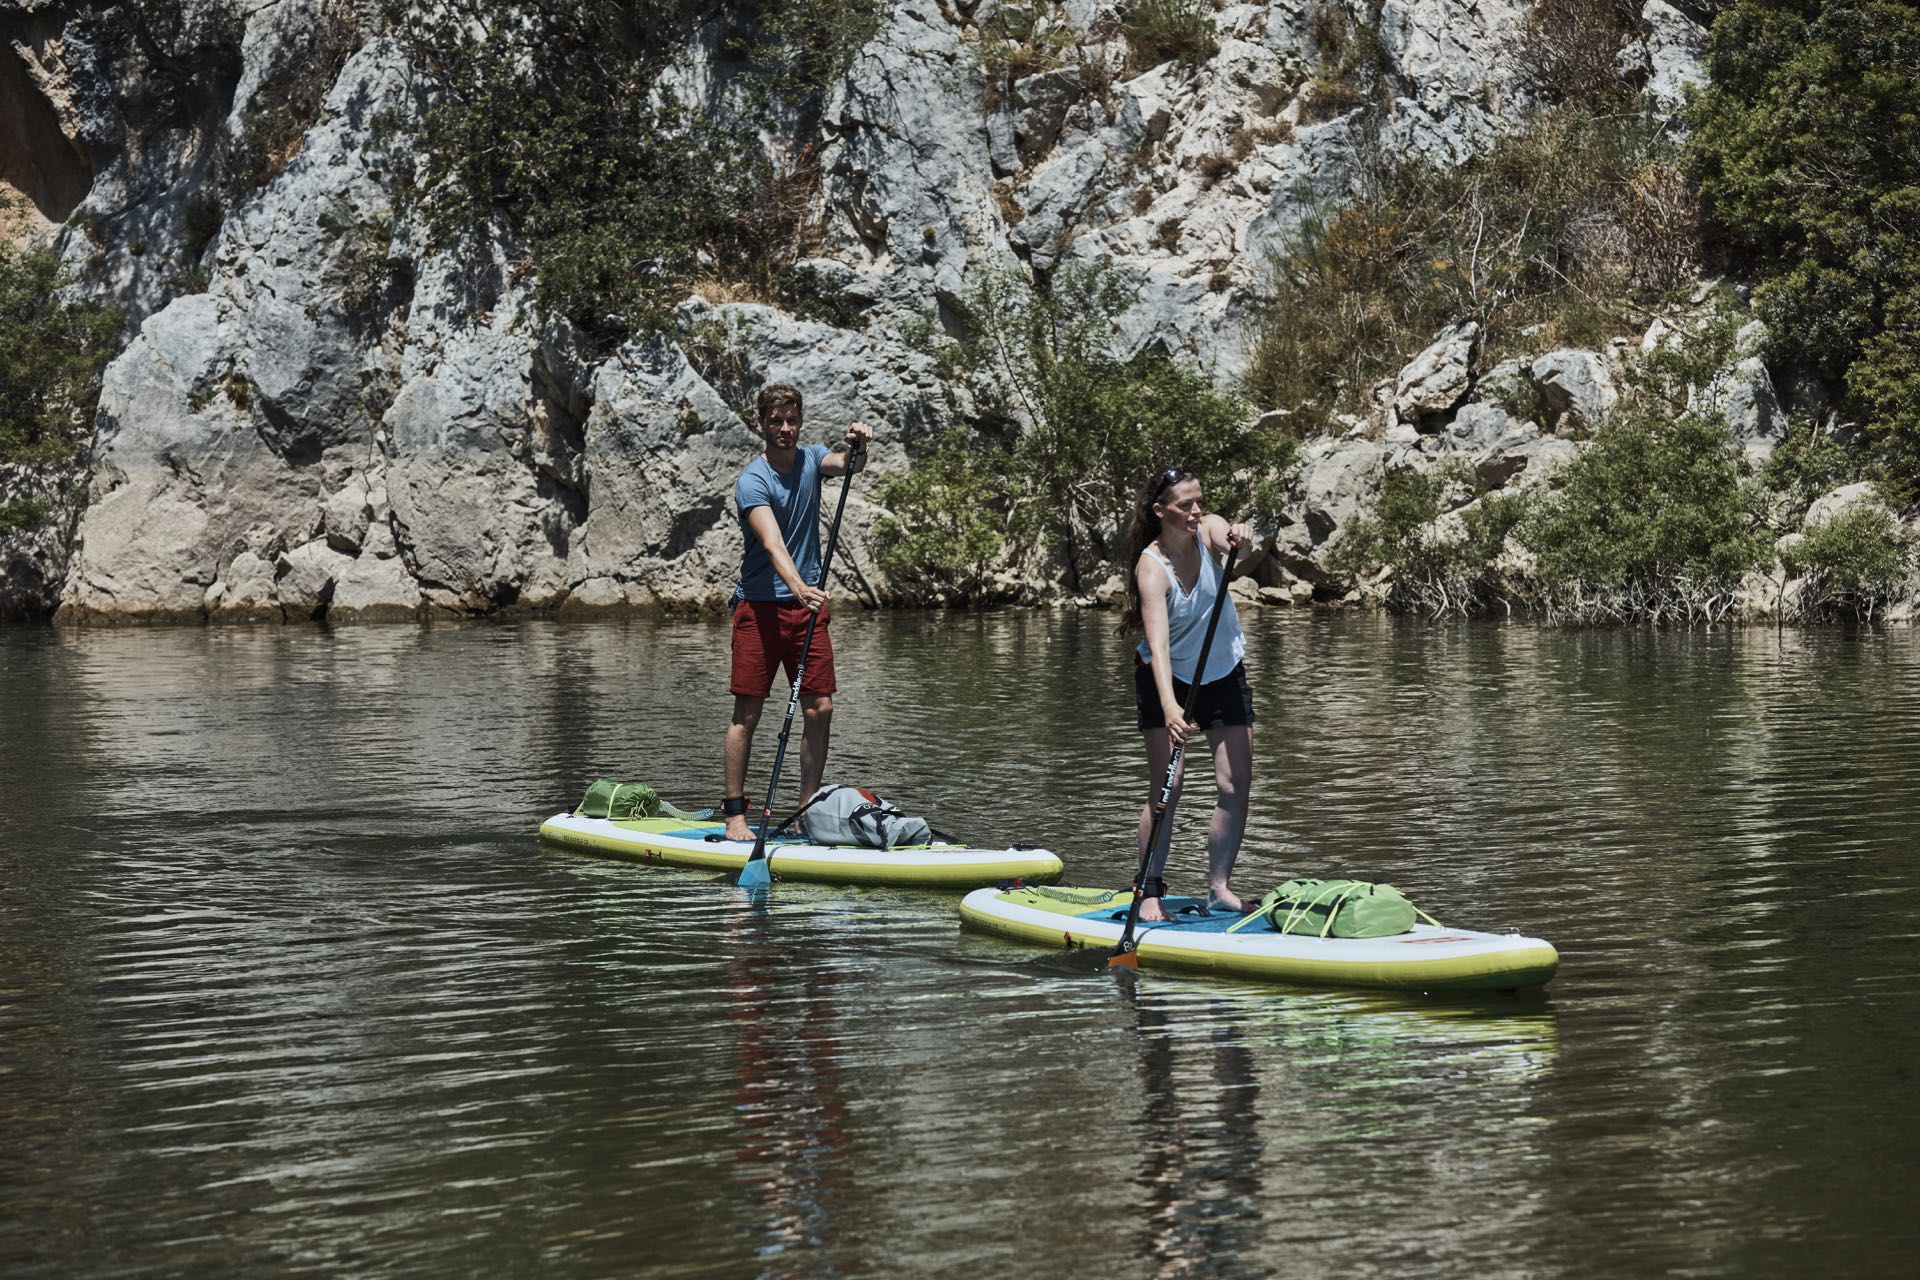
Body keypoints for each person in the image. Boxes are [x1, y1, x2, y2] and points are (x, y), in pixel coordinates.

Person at [721, 383, 872, 842]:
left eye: (791, 420)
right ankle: (735, 816)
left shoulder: (811, 460)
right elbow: (772, 543)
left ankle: (806, 812)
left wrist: (859, 444)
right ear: (762, 424)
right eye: (776, 421)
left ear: (800, 421)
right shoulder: (753, 480)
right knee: (748, 713)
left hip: (807, 612)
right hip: (760, 610)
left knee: (820, 707)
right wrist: (799, 587)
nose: (785, 428)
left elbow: (848, 465)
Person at [1119, 466, 1262, 920]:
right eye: (1186, 505)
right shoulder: (1152, 568)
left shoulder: (1207, 530)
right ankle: (1149, 889)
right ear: (1161, 511)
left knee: (1235, 784)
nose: (1196, 510)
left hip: (1223, 669)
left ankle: (1219, 888)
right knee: (1169, 786)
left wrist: (1239, 536)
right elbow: (1158, 648)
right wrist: (1170, 707)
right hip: (1164, 677)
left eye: (1199, 500)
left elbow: (1225, 533)